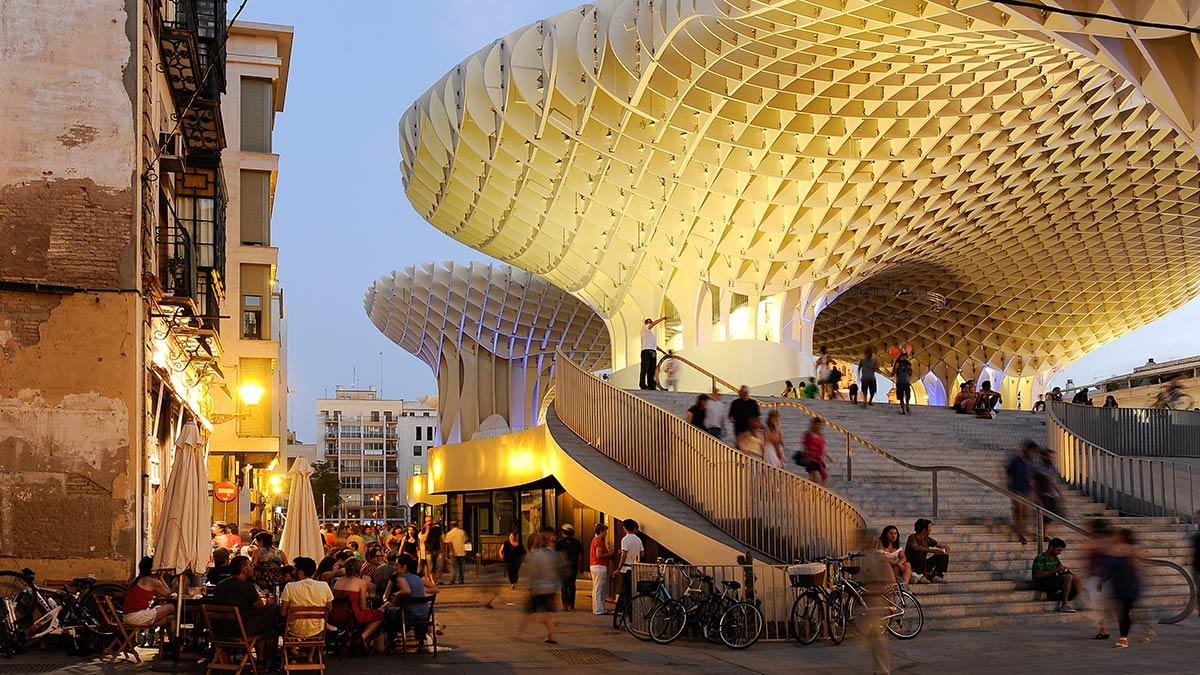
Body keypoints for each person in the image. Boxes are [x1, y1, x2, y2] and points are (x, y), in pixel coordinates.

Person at [211, 556, 279, 666]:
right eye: (251, 565)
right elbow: (260, 608)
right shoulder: (247, 587)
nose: (253, 568)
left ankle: (258, 657)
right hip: (240, 630)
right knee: (271, 612)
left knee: (264, 623)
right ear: (244, 570)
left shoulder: (220, 586)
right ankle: (263, 659)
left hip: (219, 631)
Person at [1107, 529, 1154, 649]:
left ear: (1123, 537)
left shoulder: (1132, 550)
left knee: (1123, 612)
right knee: (1123, 612)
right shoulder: (1116, 549)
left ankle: (1123, 639)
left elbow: (1139, 565)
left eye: (1118, 536)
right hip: (1117, 584)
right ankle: (1145, 631)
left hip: (1128, 585)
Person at [520, 527, 563, 644]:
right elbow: (558, 570)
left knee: (529, 612)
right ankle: (551, 636)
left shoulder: (537, 556)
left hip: (539, 588)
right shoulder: (553, 555)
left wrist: (530, 587)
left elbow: (534, 573)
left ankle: (520, 633)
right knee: (548, 613)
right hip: (551, 588)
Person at [331, 558, 385, 650]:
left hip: (335, 615)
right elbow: (363, 606)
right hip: (352, 616)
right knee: (380, 614)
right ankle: (362, 637)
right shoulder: (361, 583)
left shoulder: (338, 581)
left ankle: (353, 637)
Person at [280, 556, 334, 639]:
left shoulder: (290, 587)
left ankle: (292, 649)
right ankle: (311, 651)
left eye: (295, 569)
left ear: (300, 572)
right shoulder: (324, 586)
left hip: (294, 629)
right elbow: (329, 608)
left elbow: (283, 612)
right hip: (317, 629)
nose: (293, 572)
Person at [389, 555, 434, 649]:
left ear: (404, 567)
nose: (394, 567)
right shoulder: (417, 578)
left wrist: (397, 595)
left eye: (397, 565)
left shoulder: (400, 578)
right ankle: (421, 639)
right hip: (424, 615)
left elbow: (406, 591)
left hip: (409, 616)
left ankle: (392, 642)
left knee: (388, 613)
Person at [122, 556, 175, 627]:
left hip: (127, 617)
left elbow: (158, 593)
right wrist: (160, 577)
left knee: (171, 619)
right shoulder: (151, 581)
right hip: (137, 616)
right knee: (171, 607)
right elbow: (168, 594)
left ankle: (173, 638)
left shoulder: (136, 580)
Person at [1032, 538, 1081, 613]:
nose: (1059, 553)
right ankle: (1064, 605)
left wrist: (1063, 570)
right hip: (1042, 582)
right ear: (1051, 547)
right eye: (1058, 550)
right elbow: (1038, 575)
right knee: (1069, 577)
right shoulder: (1040, 558)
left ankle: (1081, 599)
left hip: (1052, 581)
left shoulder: (1055, 558)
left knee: (1074, 577)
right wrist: (1055, 571)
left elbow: (1059, 571)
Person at [1005, 441, 1036, 544]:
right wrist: (1008, 485)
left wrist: (1033, 491)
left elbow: (1032, 477)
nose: (1032, 453)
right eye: (1031, 451)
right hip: (1016, 491)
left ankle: (1018, 527)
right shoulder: (1016, 461)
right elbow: (1006, 472)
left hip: (1027, 491)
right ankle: (1021, 535)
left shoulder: (1031, 462)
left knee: (1027, 513)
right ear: (1025, 450)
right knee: (1019, 513)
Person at [904, 519, 949, 583]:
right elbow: (916, 547)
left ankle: (936, 576)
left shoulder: (927, 539)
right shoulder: (912, 537)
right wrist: (933, 551)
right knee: (920, 552)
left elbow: (938, 544)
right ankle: (923, 576)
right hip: (913, 566)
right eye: (930, 527)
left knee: (943, 555)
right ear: (924, 529)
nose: (931, 529)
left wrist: (944, 547)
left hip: (923, 565)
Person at [614, 519, 644, 618]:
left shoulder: (625, 539)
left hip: (626, 568)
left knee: (624, 591)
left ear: (624, 528)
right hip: (635, 568)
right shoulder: (638, 539)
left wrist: (619, 567)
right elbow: (642, 553)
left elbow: (624, 554)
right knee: (632, 591)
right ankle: (631, 613)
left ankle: (622, 611)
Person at [1033, 447, 1063, 540]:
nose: (1052, 459)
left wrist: (1060, 493)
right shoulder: (1038, 468)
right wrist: (1034, 494)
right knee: (1042, 516)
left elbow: (1054, 482)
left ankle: (1045, 534)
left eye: (1053, 457)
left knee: (1049, 517)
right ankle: (1039, 534)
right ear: (1044, 457)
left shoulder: (1053, 468)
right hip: (1042, 495)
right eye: (1050, 457)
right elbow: (1034, 481)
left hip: (1052, 495)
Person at [555, 524, 585, 611]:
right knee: (572, 585)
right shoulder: (577, 542)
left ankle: (565, 605)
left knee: (564, 586)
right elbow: (580, 556)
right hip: (574, 565)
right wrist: (581, 566)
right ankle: (572, 604)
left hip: (563, 566)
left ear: (563, 532)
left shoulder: (559, 542)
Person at [589, 523, 613, 615]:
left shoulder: (595, 540)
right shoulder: (599, 541)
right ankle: (599, 609)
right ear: (601, 531)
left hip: (595, 566)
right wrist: (610, 554)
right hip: (599, 566)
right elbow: (598, 555)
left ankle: (598, 608)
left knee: (597, 588)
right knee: (600, 589)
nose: (606, 533)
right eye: (605, 531)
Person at [639, 317, 668, 390]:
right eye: (649, 322)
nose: (650, 323)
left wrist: (663, 351)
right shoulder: (644, 329)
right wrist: (662, 319)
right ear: (646, 323)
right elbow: (652, 325)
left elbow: (655, 346)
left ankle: (651, 385)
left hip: (653, 352)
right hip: (646, 351)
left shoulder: (651, 334)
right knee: (645, 369)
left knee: (652, 370)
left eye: (651, 321)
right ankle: (642, 385)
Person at [799, 417, 829, 487]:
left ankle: (822, 491)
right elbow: (804, 445)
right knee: (814, 477)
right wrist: (803, 454)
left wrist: (827, 456)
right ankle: (812, 490)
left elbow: (822, 448)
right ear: (814, 425)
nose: (819, 426)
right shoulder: (808, 435)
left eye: (820, 425)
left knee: (825, 476)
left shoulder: (821, 436)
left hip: (819, 459)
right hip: (810, 458)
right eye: (817, 424)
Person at [420, 518, 444, 583]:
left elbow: (441, 539)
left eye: (430, 521)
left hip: (438, 549)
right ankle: (433, 582)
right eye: (427, 521)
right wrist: (427, 530)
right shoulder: (424, 529)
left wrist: (443, 549)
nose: (429, 522)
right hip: (428, 550)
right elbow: (423, 540)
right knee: (430, 567)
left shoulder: (437, 528)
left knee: (439, 566)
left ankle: (436, 578)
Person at [891, 349, 914, 415]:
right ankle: (903, 410)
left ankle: (907, 405)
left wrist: (909, 371)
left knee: (908, 395)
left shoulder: (908, 363)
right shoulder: (898, 363)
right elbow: (894, 372)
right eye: (904, 356)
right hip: (900, 382)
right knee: (901, 397)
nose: (905, 358)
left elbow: (910, 372)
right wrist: (895, 370)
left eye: (906, 357)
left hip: (906, 382)